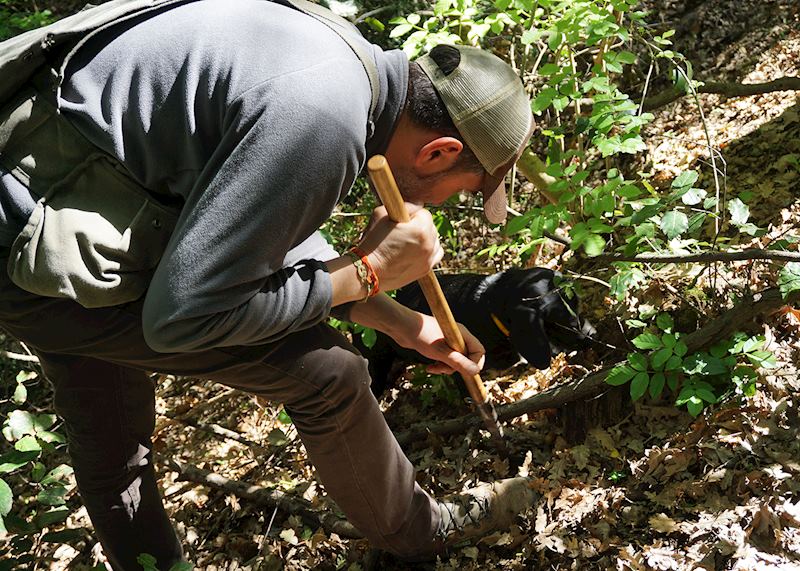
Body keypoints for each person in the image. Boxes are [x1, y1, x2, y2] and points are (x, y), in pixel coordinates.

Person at [0, 0, 533, 568]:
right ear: (439, 152)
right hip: (39, 248)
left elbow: (247, 223)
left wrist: (401, 321)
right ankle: (421, 534)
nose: (444, 202)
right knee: (330, 374)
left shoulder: (337, 58)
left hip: (57, 214)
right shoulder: (322, 118)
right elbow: (184, 318)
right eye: (463, 188)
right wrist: (368, 270)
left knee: (107, 429)